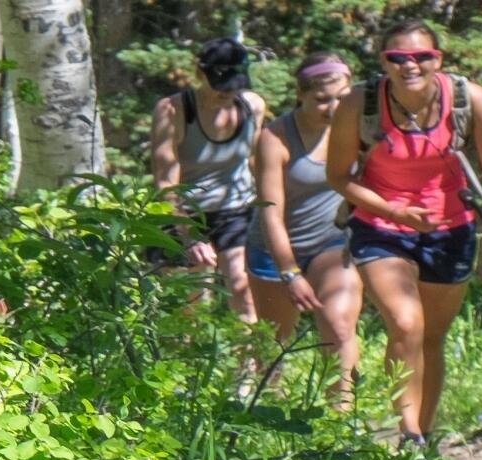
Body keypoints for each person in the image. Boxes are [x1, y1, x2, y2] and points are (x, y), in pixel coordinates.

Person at [326, 19, 482, 447]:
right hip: (380, 226)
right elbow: (338, 177)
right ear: (384, 62)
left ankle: (424, 437)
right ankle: (408, 434)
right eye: (398, 58)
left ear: (439, 60)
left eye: (421, 57)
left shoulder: (473, 101)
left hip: (452, 231)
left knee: (431, 337)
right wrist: (393, 209)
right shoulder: (360, 104)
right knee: (406, 323)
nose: (409, 65)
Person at [246, 53, 363, 405]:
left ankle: (341, 418)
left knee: (340, 325)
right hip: (275, 249)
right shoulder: (276, 137)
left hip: (331, 243)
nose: (332, 107)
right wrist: (290, 272)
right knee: (274, 343)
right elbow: (269, 212)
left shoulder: (358, 125)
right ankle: (270, 417)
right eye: (322, 100)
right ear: (300, 95)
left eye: (341, 98)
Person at [149, 37, 268, 322]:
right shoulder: (173, 111)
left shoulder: (252, 107)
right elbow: (165, 181)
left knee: (243, 290)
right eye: (220, 85)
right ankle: (188, 361)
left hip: (234, 210)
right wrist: (189, 238)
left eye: (235, 84)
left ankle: (250, 364)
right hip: (183, 211)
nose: (227, 93)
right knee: (188, 301)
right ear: (200, 73)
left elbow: (256, 162)